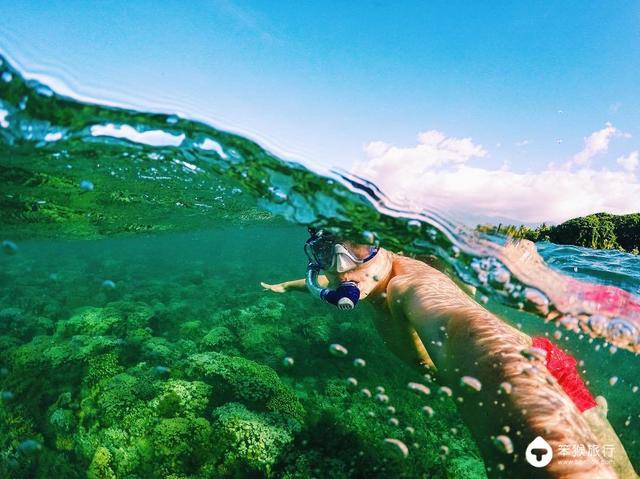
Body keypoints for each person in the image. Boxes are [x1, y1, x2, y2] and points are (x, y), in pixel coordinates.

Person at [261, 228, 638, 478]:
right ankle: (591, 415)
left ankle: (588, 416)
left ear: (382, 244)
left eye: (357, 248)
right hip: (540, 366)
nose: (343, 268)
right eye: (327, 253)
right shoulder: (367, 278)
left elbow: (475, 336)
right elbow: (324, 279)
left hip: (537, 369)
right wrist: (286, 286)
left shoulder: (411, 284)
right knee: (599, 442)